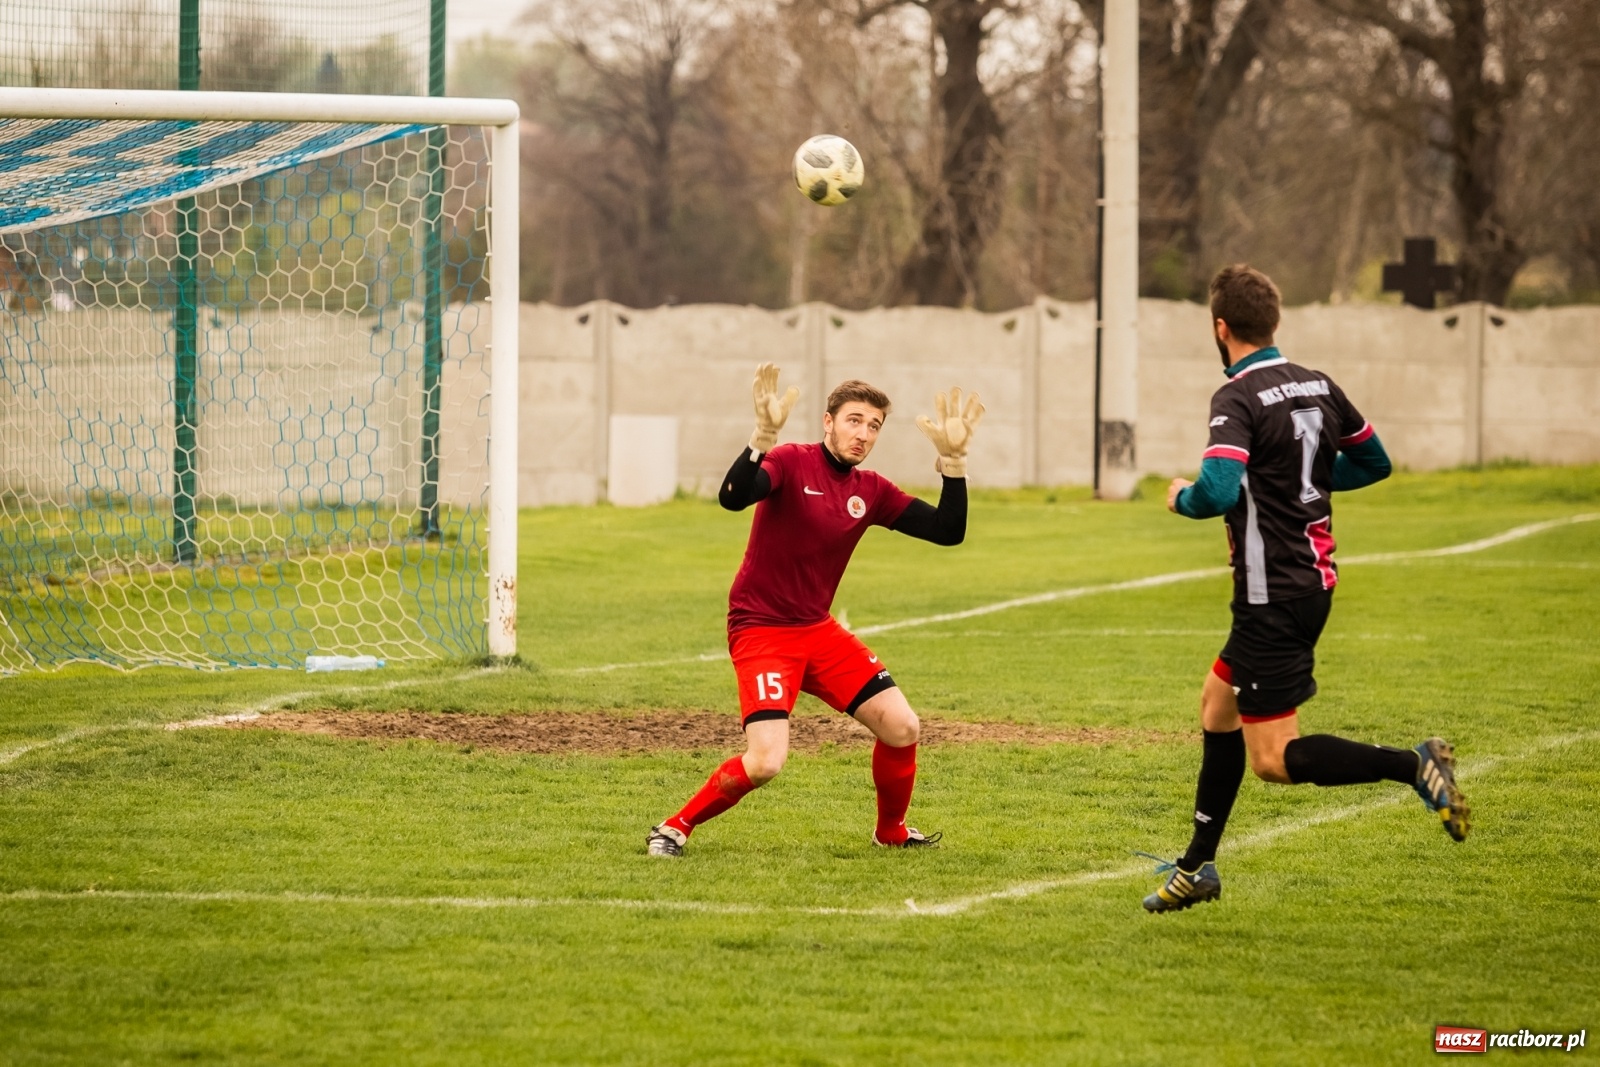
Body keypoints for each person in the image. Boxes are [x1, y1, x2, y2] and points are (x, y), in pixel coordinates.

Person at [1142, 264, 1469, 913]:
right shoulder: (1317, 382)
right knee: (1217, 704)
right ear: (1274, 322)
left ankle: (1414, 763)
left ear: (1220, 327)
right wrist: (1304, 481)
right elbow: (1375, 462)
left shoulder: (1234, 396)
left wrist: (1181, 499)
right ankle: (1198, 865)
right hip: (1308, 580)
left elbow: (1217, 490)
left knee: (1273, 757)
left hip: (1274, 593)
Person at [646, 364, 983, 857]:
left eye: (873, 426)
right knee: (765, 761)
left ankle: (890, 830)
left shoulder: (871, 491)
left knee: (902, 726)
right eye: (854, 420)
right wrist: (762, 436)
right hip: (761, 630)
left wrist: (954, 464)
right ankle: (673, 828)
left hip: (817, 630)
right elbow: (732, 497)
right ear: (828, 422)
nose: (863, 433)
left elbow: (947, 531)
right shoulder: (789, 461)